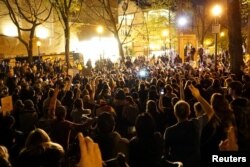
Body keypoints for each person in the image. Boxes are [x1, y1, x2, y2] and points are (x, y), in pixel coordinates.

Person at [164, 84, 214, 167]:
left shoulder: (169, 131)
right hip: (195, 163)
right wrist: (198, 97)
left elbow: (165, 153)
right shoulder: (195, 124)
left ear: (175, 113)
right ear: (189, 112)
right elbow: (210, 111)